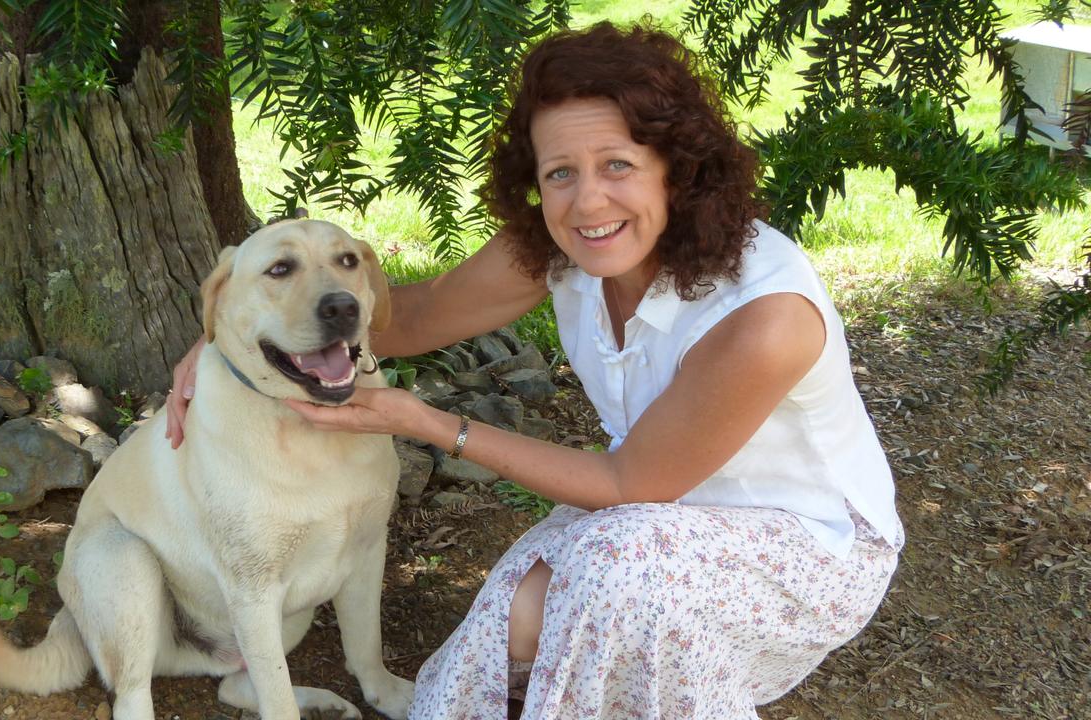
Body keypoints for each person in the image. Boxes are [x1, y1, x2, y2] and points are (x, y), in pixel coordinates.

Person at [166, 22, 902, 720]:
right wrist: (235, 335)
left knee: (617, 583)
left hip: (801, 549)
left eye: (618, 165)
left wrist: (429, 425)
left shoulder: (764, 318)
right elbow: (409, 319)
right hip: (646, 528)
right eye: (560, 173)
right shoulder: (561, 246)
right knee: (500, 642)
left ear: (676, 169)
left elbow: (630, 485)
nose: (588, 201)